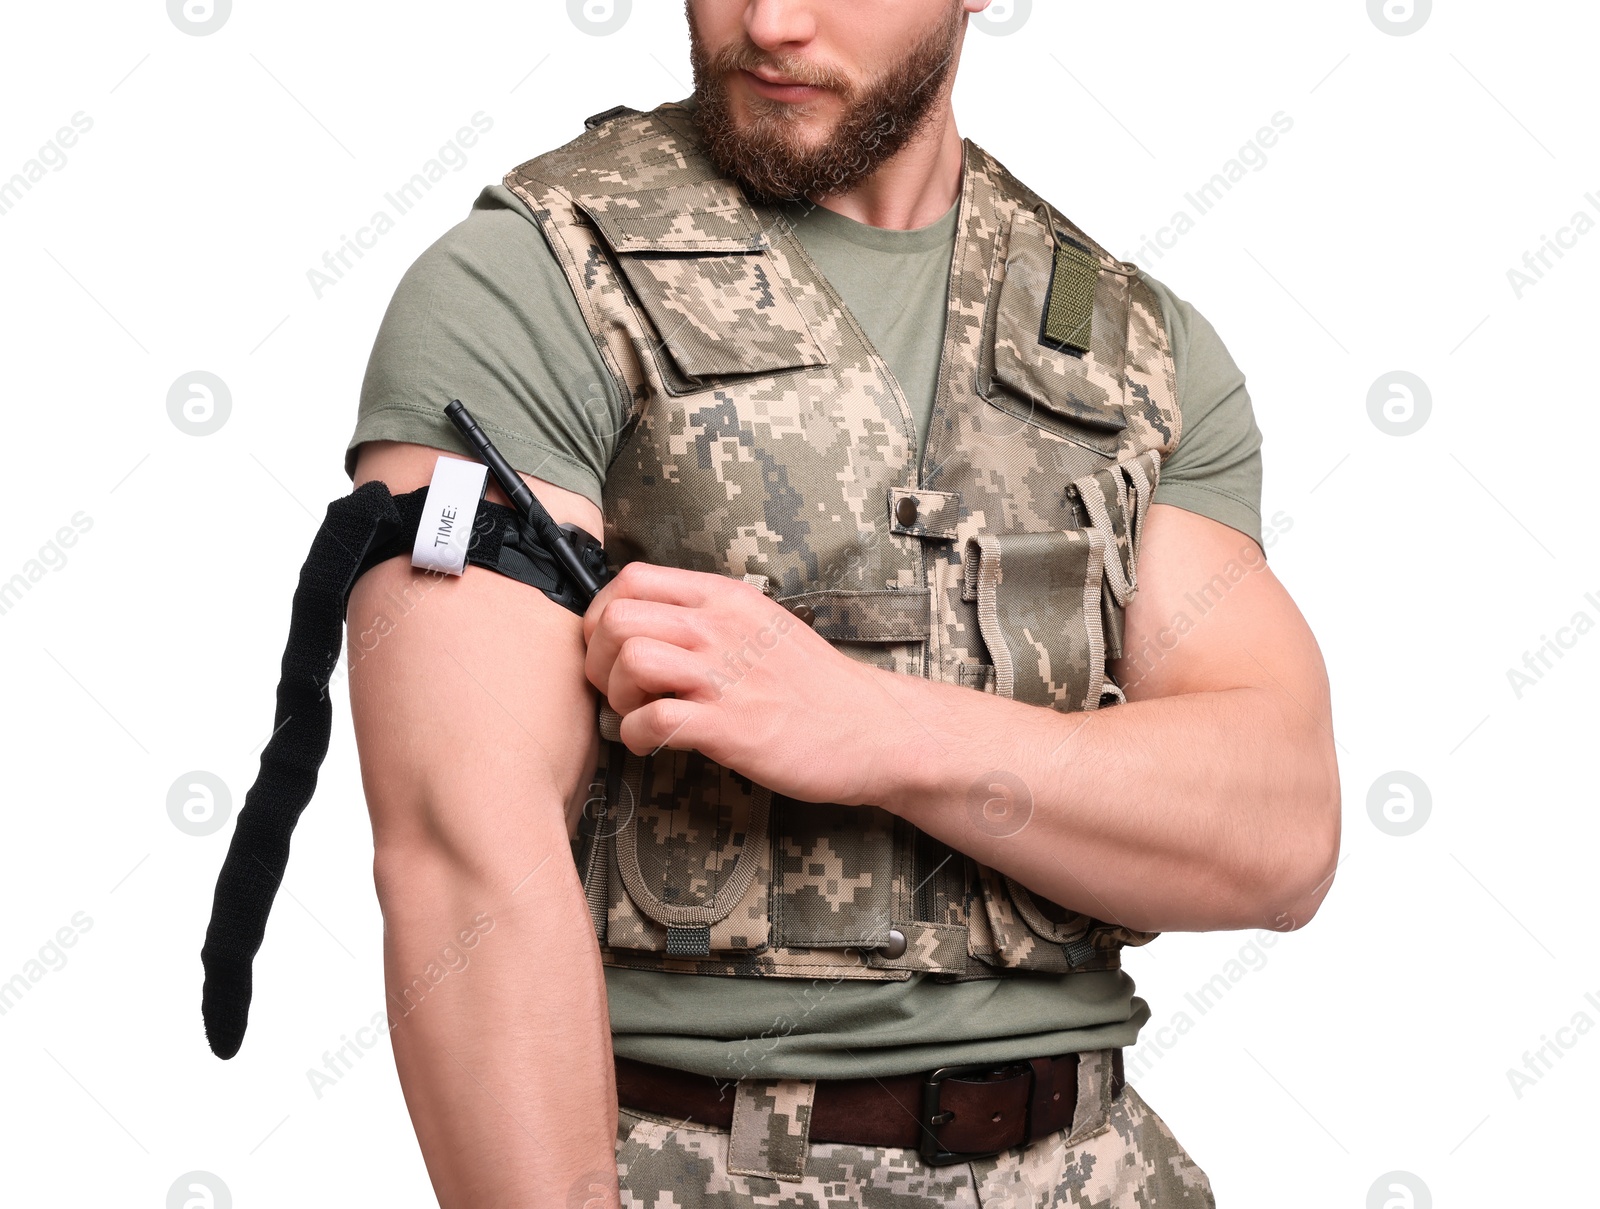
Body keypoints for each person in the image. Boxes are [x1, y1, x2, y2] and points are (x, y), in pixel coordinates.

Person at [343, 2, 1340, 1204]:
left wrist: (874, 728)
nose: (770, 21)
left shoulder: (1131, 347)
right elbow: (463, 860)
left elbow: (1279, 836)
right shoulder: (529, 286)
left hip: (1093, 1164)